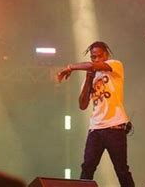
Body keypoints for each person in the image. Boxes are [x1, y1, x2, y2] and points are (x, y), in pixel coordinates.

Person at [56, 41, 135, 187]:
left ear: (106, 54)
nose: (96, 59)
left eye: (99, 56)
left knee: (121, 170)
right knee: (87, 168)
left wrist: (70, 67)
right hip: (96, 129)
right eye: (93, 57)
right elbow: (82, 105)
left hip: (115, 126)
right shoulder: (90, 77)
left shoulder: (115, 65)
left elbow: (92, 66)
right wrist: (88, 78)